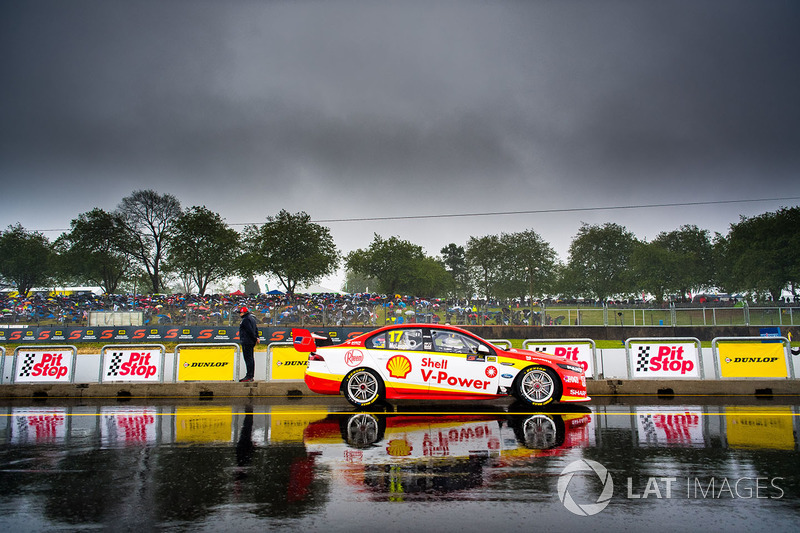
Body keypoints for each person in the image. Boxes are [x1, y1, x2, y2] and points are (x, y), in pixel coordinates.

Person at [238, 306, 259, 382]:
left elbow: (250, 331)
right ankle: (250, 375)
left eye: (240, 313)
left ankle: (249, 376)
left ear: (243, 312)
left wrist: (255, 338)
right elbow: (256, 329)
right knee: (250, 358)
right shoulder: (252, 318)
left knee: (248, 359)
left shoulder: (245, 319)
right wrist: (257, 337)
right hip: (250, 341)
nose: (239, 314)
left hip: (247, 341)